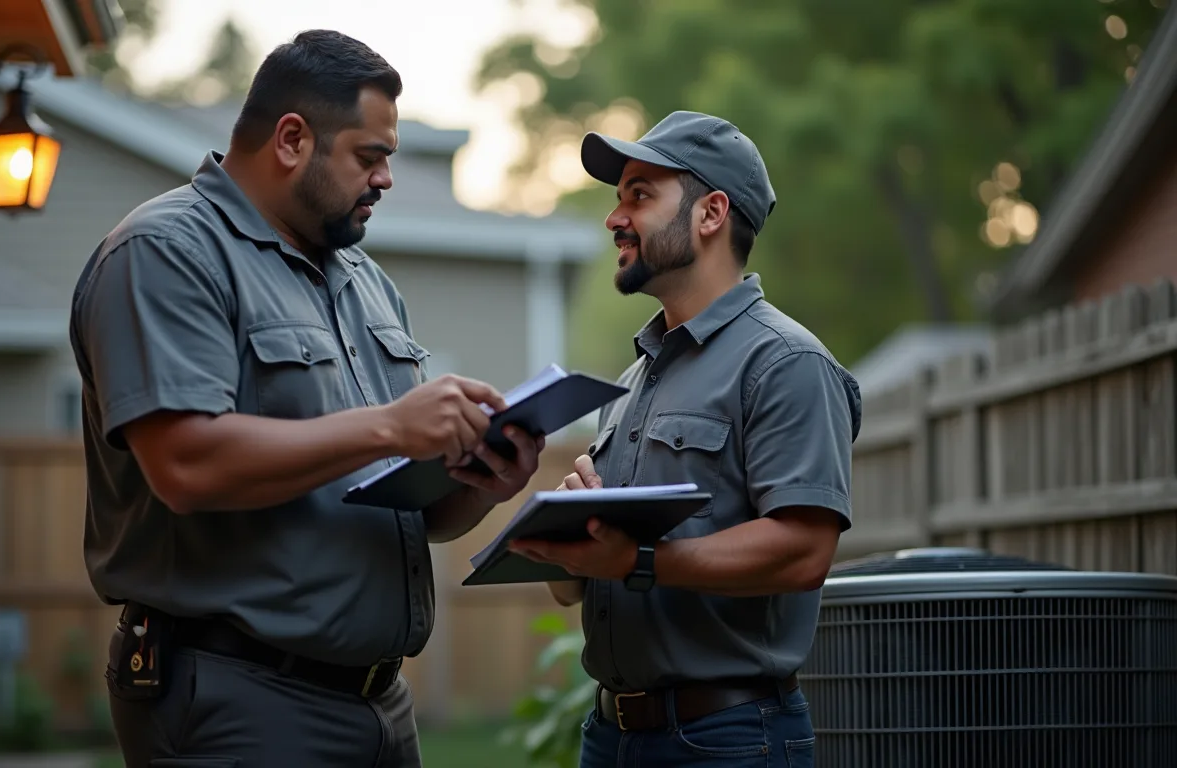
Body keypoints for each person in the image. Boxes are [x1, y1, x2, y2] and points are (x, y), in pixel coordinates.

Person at [67, 30, 544, 767]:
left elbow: (411, 507)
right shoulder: (165, 252)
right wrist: (389, 425)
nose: (385, 178)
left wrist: (485, 481)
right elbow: (185, 465)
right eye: (370, 156)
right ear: (292, 139)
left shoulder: (364, 282)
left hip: (381, 704)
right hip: (239, 699)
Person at [509, 111, 862, 767]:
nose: (616, 217)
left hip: (728, 739)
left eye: (640, 195)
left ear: (711, 213)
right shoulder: (633, 381)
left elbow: (804, 550)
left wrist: (635, 560)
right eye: (619, 199)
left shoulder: (786, 364)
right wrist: (570, 540)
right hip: (610, 736)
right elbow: (591, 579)